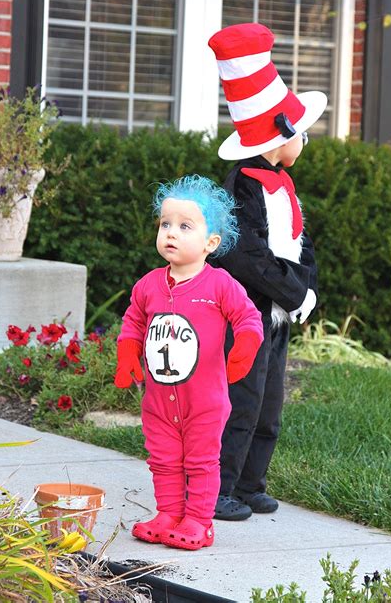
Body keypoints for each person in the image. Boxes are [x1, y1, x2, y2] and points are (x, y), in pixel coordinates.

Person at [207, 22, 327, 521]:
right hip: (246, 314)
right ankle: (219, 487)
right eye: (303, 134)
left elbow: (301, 242)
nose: (306, 142)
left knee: (270, 404)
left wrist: (307, 289)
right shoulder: (243, 187)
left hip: (277, 314)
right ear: (280, 138)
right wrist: (291, 292)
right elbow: (243, 255)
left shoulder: (283, 184)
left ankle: (252, 482)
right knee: (241, 400)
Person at [114, 174, 263, 550]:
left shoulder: (220, 284)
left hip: (204, 400)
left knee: (200, 461)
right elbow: (133, 320)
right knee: (162, 458)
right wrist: (127, 351)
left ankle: (198, 521)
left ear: (211, 242)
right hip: (159, 399)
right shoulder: (148, 285)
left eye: (184, 226)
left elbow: (248, 317)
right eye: (165, 224)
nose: (171, 233)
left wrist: (245, 346)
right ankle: (168, 513)